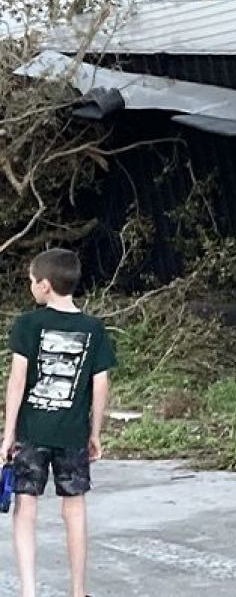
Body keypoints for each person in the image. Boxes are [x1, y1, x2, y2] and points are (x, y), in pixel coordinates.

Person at [2, 248, 117, 597]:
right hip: (72, 434)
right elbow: (100, 384)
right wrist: (94, 432)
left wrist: (7, 435)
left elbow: (17, 380)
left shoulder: (28, 324)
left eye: (33, 281)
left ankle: (28, 592)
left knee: (25, 508)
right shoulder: (93, 329)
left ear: (46, 286)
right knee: (75, 508)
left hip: (31, 431)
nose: (31, 286)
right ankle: (78, 591)